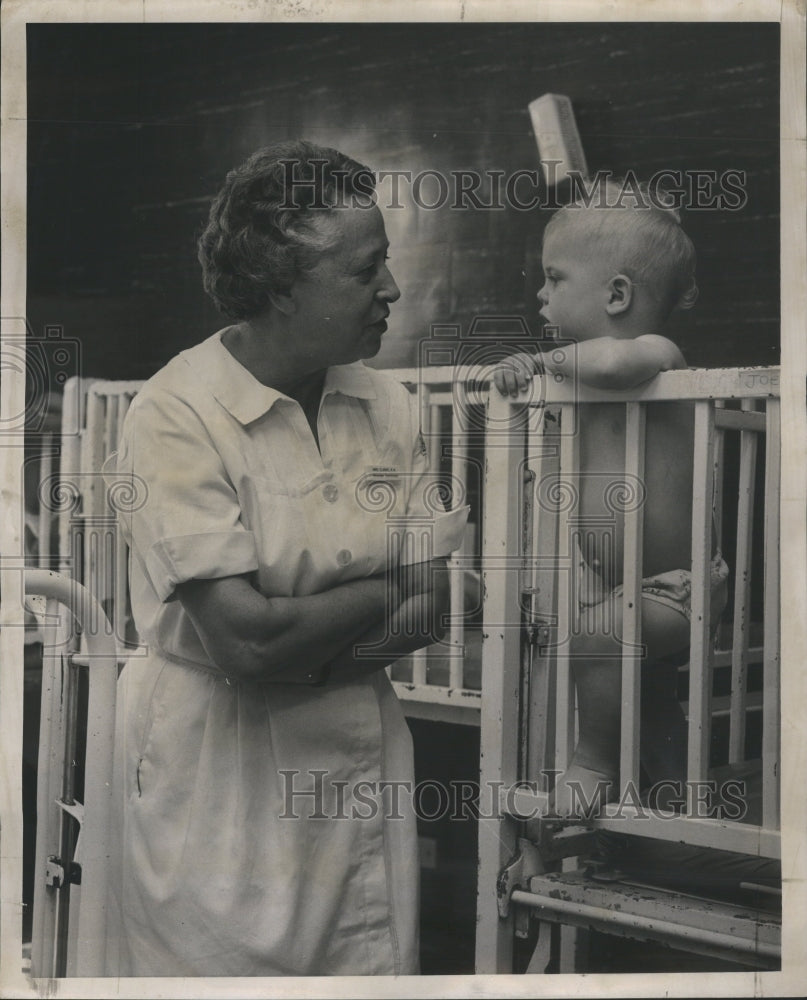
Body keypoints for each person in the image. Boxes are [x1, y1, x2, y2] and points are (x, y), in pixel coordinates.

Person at [103, 140, 468, 976]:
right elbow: (244, 644)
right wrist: (382, 591)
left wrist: (299, 654)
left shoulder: (386, 405)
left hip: (355, 765)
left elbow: (436, 600)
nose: (391, 289)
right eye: (363, 269)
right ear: (277, 286)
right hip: (217, 779)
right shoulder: (176, 413)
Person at [494, 182, 728, 816]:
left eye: (554, 277)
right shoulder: (575, 374)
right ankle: (682, 800)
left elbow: (614, 367)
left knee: (600, 639)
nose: (540, 294)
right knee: (649, 696)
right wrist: (532, 370)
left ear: (618, 295)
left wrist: (542, 365)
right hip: (614, 580)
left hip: (676, 586)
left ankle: (592, 764)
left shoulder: (658, 356)